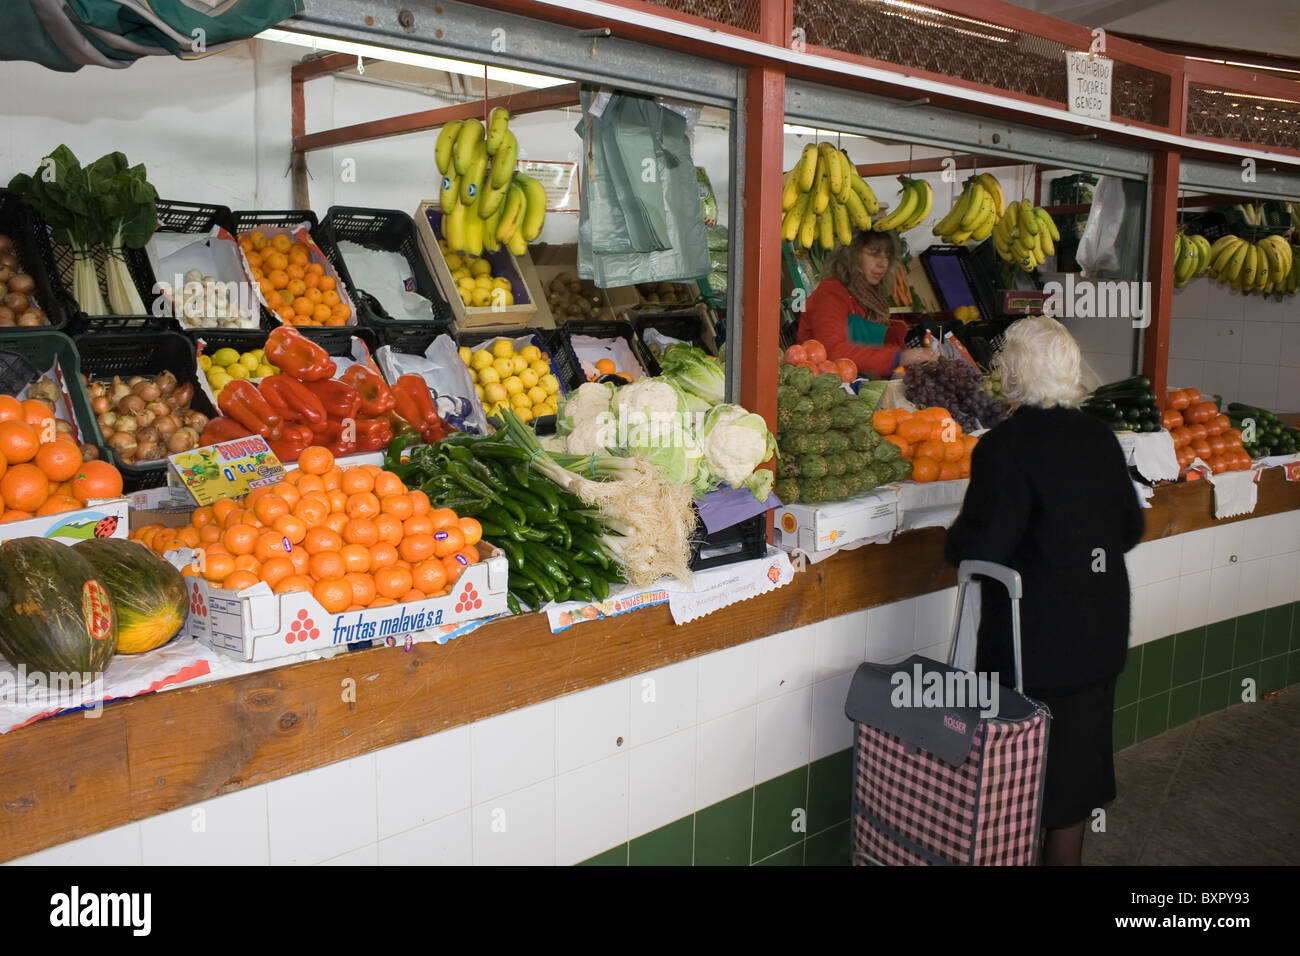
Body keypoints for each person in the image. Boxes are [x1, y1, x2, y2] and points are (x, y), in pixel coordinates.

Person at [943, 315, 1143, 867]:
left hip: (1029, 648)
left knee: (1016, 784)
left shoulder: (1004, 447)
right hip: (1096, 638)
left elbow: (981, 547)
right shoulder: (1100, 438)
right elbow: (1128, 529)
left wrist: (952, 541)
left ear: (1014, 372)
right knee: (1073, 782)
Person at [796, 230, 934, 378]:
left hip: (861, 386)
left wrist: (907, 360)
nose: (883, 264)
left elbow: (874, 346)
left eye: (887, 256)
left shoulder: (872, 298)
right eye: (874, 254)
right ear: (852, 256)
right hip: (824, 387)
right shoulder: (830, 293)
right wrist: (897, 357)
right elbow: (832, 351)